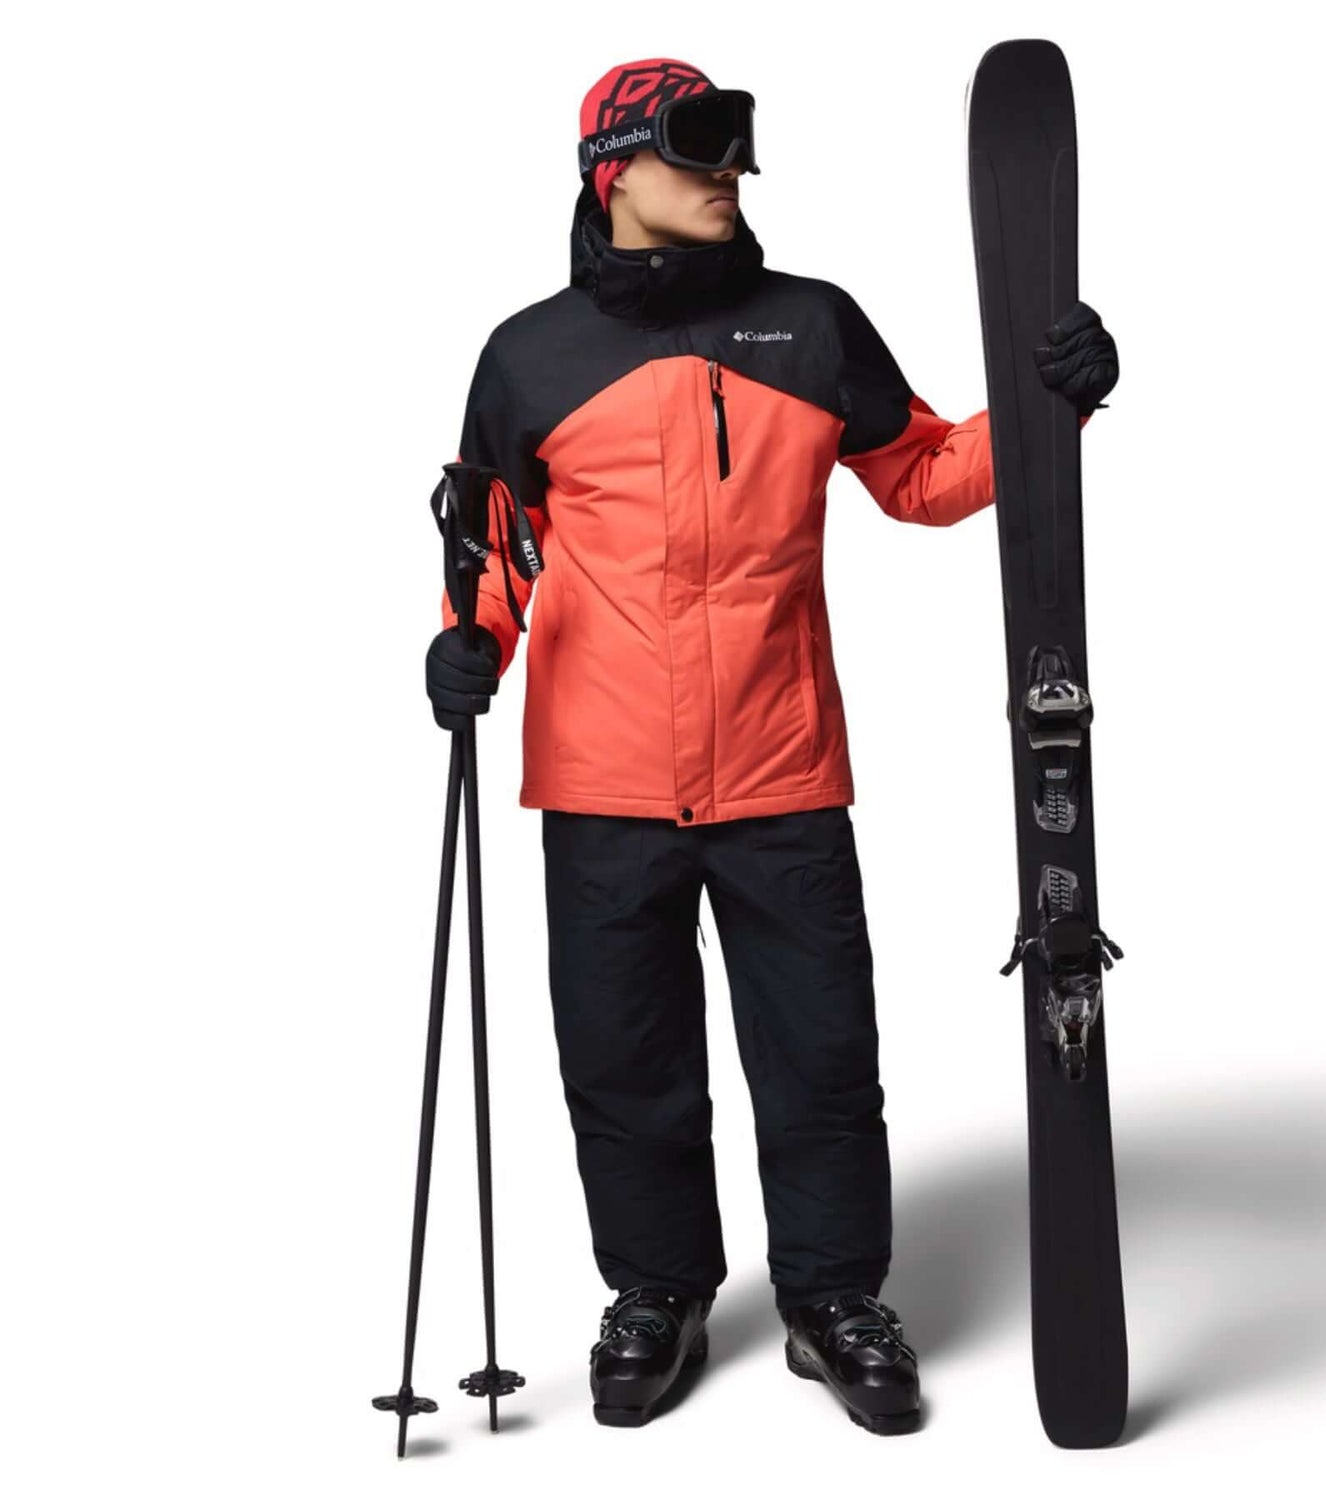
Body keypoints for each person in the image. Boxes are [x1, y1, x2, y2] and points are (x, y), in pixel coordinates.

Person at [425, 56, 1118, 1435]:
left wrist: (1052, 407)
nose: (730, 176)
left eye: (737, 151)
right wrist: (470, 642)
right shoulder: (530, 355)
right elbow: (494, 545)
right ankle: (657, 1292)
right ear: (614, 173)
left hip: (780, 766)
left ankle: (833, 1299)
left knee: (819, 1060)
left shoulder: (810, 326)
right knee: (625, 1063)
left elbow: (924, 474)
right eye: (698, 153)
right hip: (603, 780)